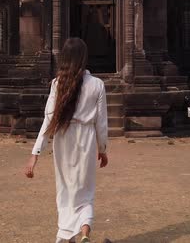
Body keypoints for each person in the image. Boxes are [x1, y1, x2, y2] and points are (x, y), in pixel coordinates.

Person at [24, 38, 109, 243]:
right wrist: (103, 148)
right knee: (85, 191)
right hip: (86, 139)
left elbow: (48, 119)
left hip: (63, 139)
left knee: (66, 190)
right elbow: (101, 122)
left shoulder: (57, 83)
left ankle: (65, 236)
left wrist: (34, 155)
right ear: (84, 58)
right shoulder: (97, 84)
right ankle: (84, 233)